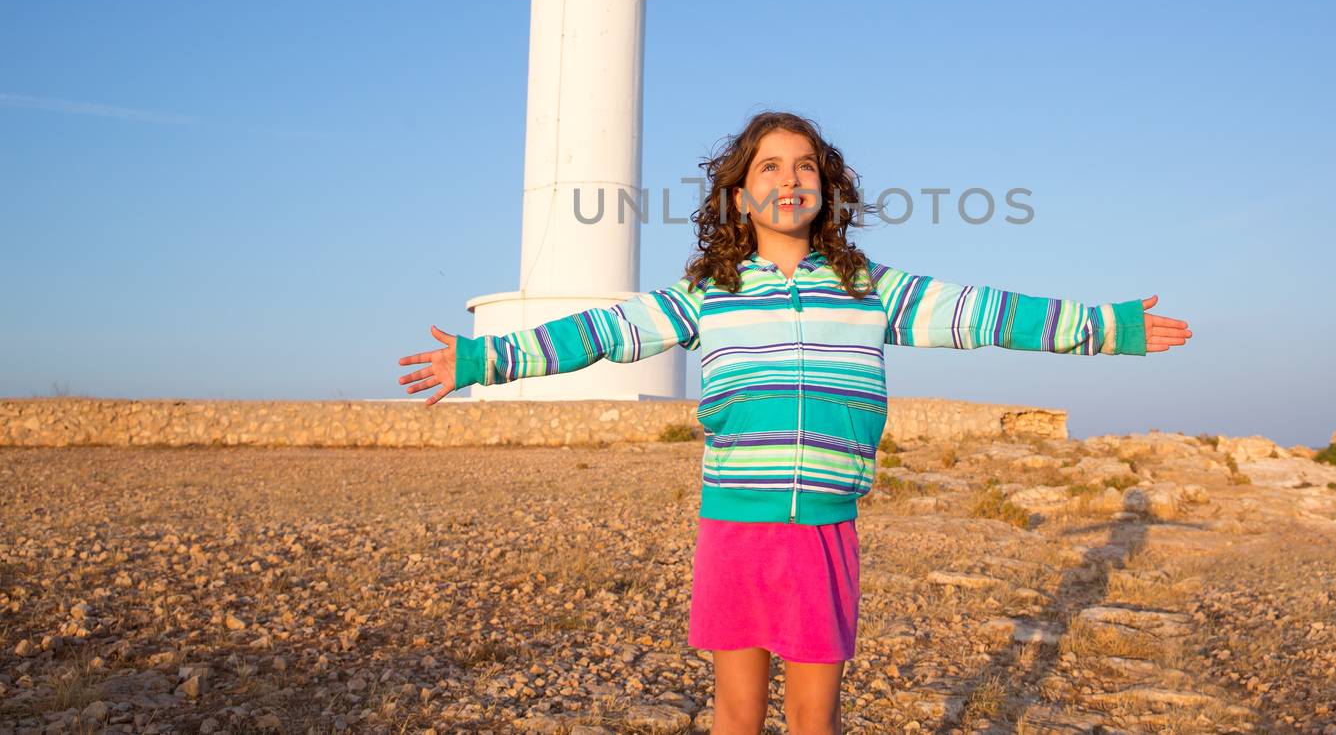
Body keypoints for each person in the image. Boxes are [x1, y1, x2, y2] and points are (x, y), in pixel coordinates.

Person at [397, 109, 1193, 735]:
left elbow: (986, 313)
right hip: (735, 527)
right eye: (769, 166)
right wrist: (483, 361)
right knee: (736, 717)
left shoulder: (869, 288)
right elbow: (600, 331)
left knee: (816, 719)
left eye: (804, 165)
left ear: (825, 187)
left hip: (823, 531)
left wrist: (1107, 326)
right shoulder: (707, 291)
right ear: (739, 195)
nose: (789, 177)